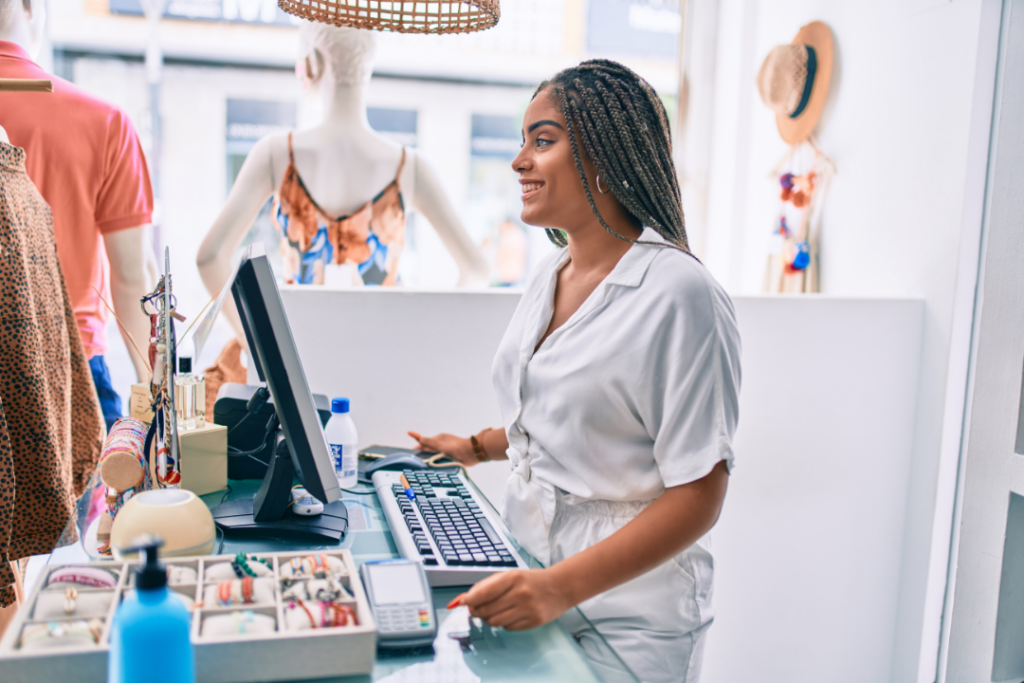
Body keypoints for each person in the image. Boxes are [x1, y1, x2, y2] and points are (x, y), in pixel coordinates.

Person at [410, 60, 741, 683]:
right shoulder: (551, 276)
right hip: (534, 574)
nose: (518, 161)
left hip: (631, 616)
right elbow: (560, 412)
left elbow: (700, 493)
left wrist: (558, 589)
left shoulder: (679, 292)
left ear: (604, 154)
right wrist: (474, 447)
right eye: (522, 141)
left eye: (542, 140)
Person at [0, 0, 155, 431]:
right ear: (30, 6)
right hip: (70, 374)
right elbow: (132, 278)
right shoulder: (103, 121)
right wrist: (156, 395)